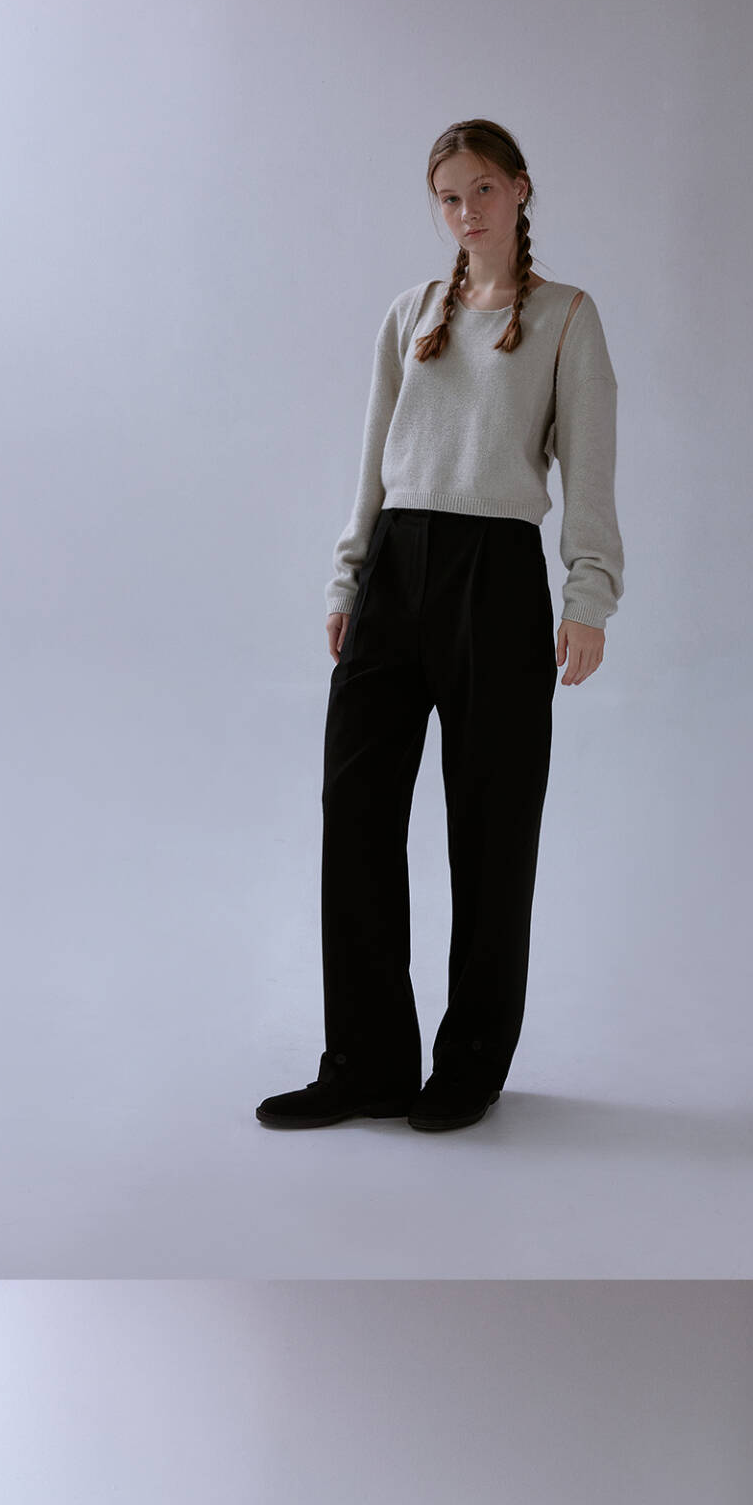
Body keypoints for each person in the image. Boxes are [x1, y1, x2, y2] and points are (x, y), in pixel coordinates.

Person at [257, 116, 624, 1136]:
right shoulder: (411, 313)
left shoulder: (566, 317)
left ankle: (469, 1066)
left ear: (520, 189)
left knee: (492, 829)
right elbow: (373, 459)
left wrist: (588, 598)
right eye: (449, 197)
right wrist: (347, 580)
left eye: (483, 190)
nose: (466, 212)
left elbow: (591, 469)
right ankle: (367, 1062)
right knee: (356, 814)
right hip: (395, 568)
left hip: (496, 578)